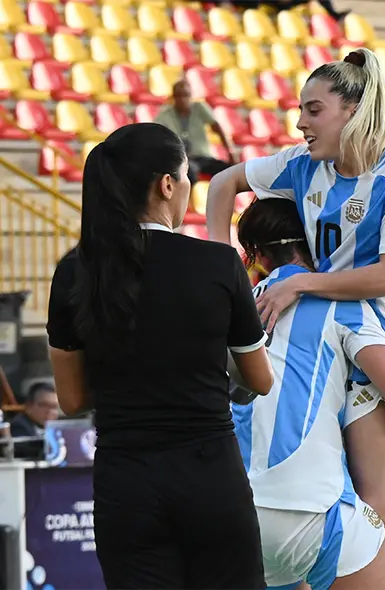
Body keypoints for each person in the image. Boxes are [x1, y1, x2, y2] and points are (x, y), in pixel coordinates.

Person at [205, 48, 385, 590]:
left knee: (384, 504)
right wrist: (223, 274)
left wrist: (301, 283)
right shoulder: (301, 164)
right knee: (333, 504)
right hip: (326, 339)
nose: (300, 123)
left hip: (377, 347)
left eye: (313, 110)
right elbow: (222, 185)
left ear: (353, 111)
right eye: (300, 110)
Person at [46, 122, 274, 589]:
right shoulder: (218, 264)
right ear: (167, 184)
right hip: (211, 477)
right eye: (187, 176)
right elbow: (261, 380)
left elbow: (72, 399)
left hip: (126, 483)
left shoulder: (74, 271)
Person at [231, 197, 385, 590]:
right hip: (314, 507)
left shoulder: (235, 312)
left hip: (236, 510)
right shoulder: (342, 305)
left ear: (258, 256)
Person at [155, 80, 236, 184]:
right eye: (178, 96)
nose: (182, 99)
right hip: (185, 160)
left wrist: (230, 150)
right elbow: (155, 132)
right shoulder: (166, 115)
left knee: (230, 171)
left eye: (186, 95)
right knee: (189, 173)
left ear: (191, 96)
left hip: (204, 157)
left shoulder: (199, 108)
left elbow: (217, 127)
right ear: (173, 97)